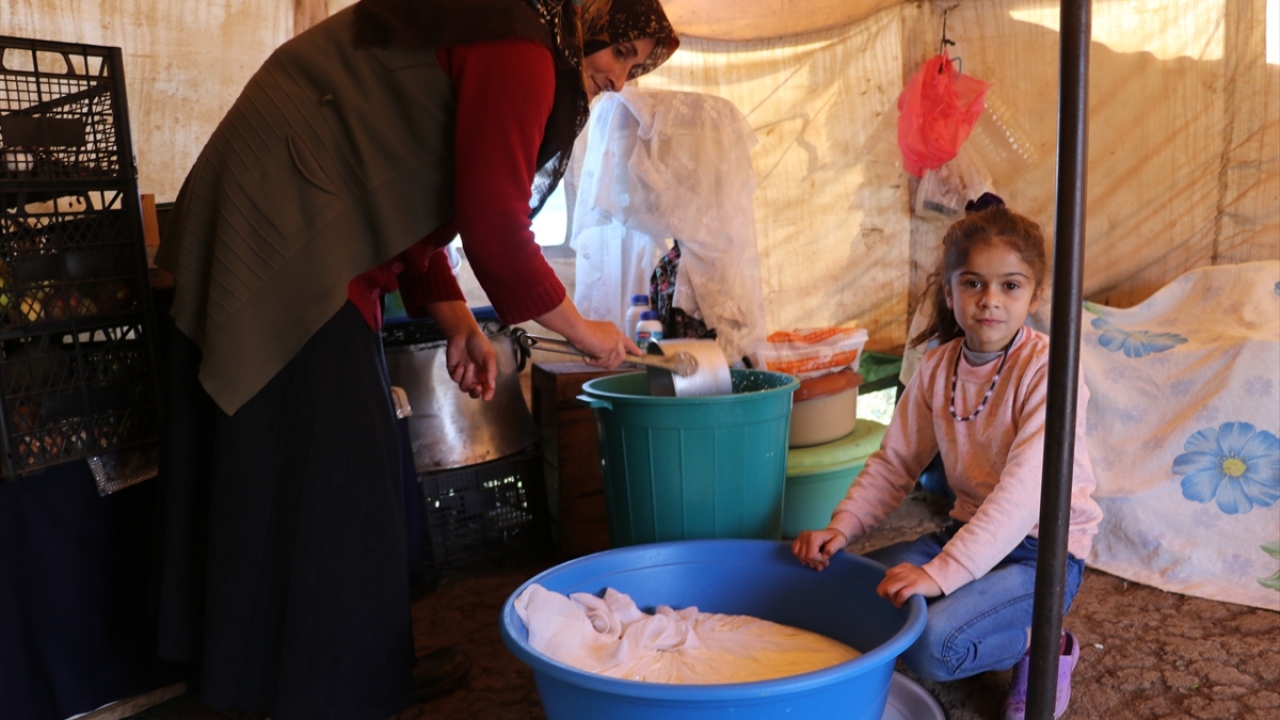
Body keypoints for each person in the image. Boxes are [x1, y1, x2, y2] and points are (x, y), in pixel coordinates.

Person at [152, 1, 678, 719]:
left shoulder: (512, 29)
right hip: (291, 216)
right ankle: (327, 688)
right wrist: (584, 330)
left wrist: (457, 321)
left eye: (638, 69)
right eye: (624, 55)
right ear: (592, 20)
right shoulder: (523, 48)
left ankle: (340, 669)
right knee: (341, 477)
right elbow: (495, 227)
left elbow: (430, 191)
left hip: (312, 208)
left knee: (353, 468)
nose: (621, 80)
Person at [790, 194, 1103, 720]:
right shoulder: (938, 367)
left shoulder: (1051, 371)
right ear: (950, 289)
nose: (989, 300)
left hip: (1042, 553)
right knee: (856, 595)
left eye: (1010, 285)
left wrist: (941, 575)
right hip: (966, 531)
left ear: (1036, 293)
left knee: (933, 645)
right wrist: (842, 528)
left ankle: (1041, 644)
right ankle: (971, 601)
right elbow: (895, 464)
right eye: (973, 283)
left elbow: (1024, 495)